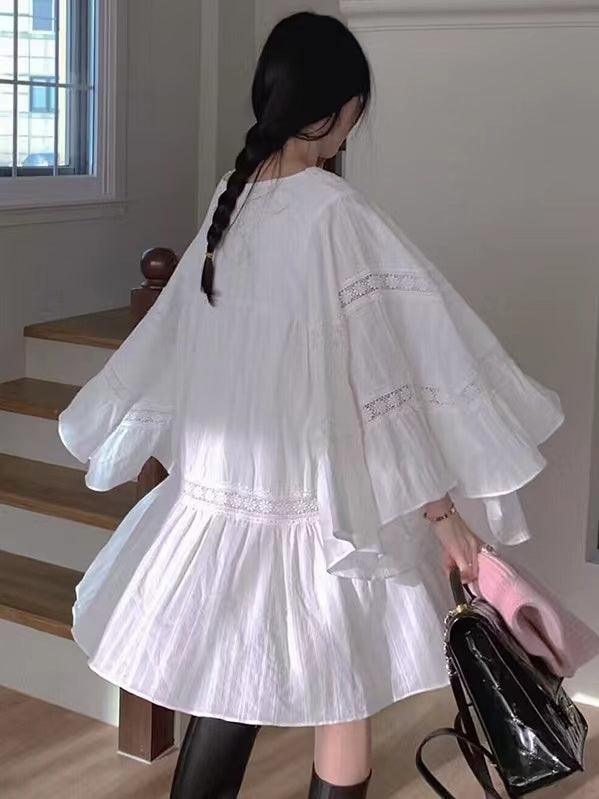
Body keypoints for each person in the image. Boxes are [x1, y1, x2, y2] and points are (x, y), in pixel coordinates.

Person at [57, 11, 565, 799]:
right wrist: (442, 514)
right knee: (341, 697)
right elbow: (385, 377)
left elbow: (182, 344)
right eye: (357, 106)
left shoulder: (231, 198)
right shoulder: (333, 212)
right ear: (334, 109)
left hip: (228, 498)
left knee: (228, 689)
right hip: (320, 511)